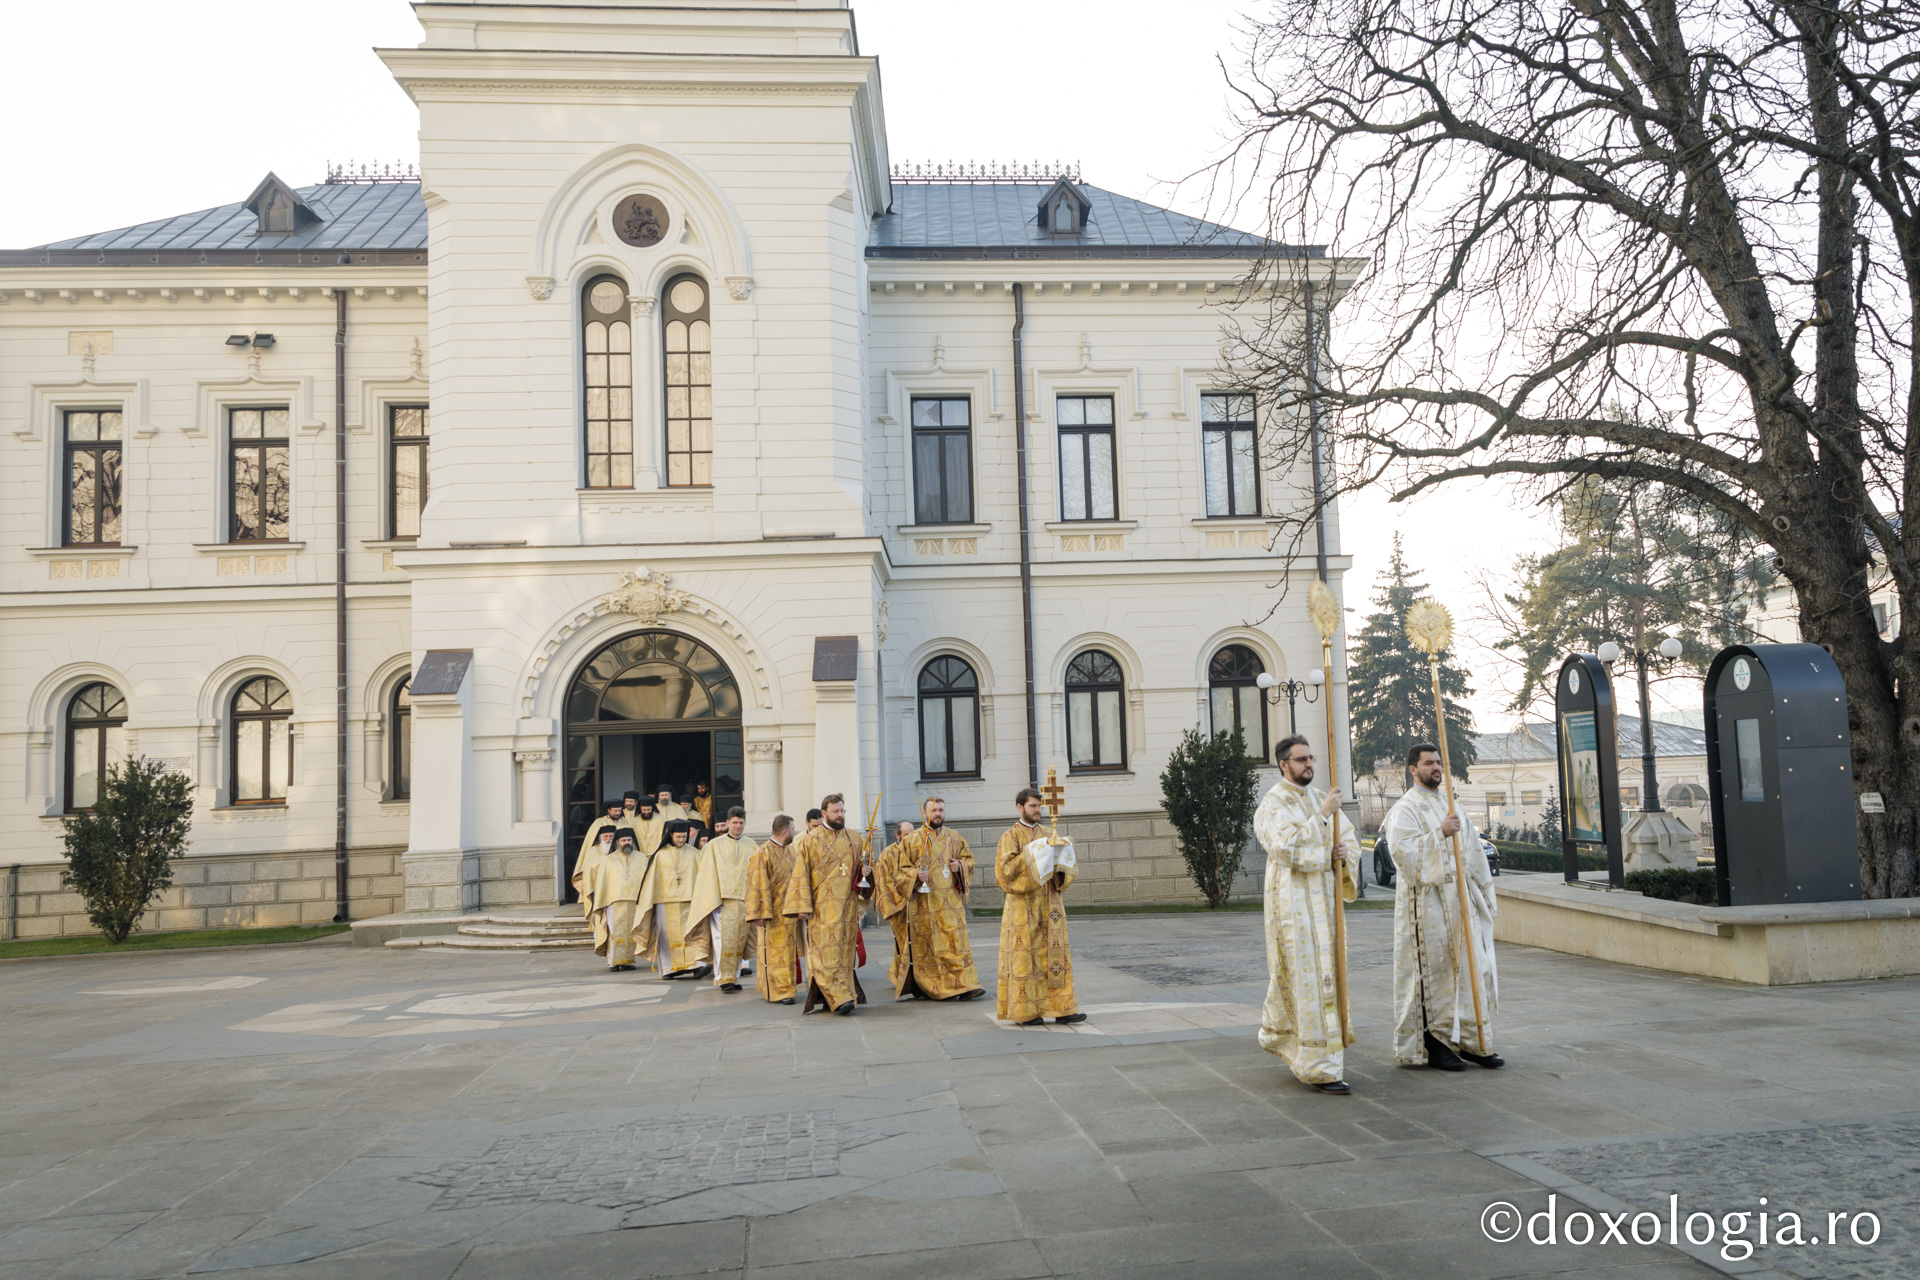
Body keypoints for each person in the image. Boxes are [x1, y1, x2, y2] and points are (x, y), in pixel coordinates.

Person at [1383, 742, 1502, 1071]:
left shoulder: (1451, 803)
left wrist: (1481, 892)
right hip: (1427, 905)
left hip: (1459, 901)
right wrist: (1439, 833)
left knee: (1470, 970)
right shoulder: (1405, 809)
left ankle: (1472, 1041)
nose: (1436, 768)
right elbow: (1403, 855)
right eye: (1428, 763)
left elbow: (1472, 850)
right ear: (1413, 770)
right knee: (1434, 973)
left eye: (1438, 763)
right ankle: (1436, 1044)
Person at [1254, 735, 1362, 1094]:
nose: (1309, 765)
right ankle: (1318, 1066)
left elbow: (1346, 844)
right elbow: (1286, 849)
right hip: (1294, 908)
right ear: (1284, 765)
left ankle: (1317, 1057)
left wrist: (1344, 854)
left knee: (1326, 977)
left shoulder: (1320, 798)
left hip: (1326, 910)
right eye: (1301, 759)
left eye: (1311, 758)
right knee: (1305, 980)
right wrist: (1324, 818)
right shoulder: (1273, 804)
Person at [875, 799, 983, 1002]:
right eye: (933, 810)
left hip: (951, 905)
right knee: (933, 948)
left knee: (956, 946)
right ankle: (936, 987)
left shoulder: (955, 837)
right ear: (925, 813)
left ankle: (967, 985)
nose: (938, 814)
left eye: (941, 810)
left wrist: (960, 866)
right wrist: (916, 875)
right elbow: (900, 872)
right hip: (925, 904)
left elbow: (970, 859)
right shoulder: (912, 840)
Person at [994, 788, 1085, 1026]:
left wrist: (1061, 857)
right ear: (1020, 807)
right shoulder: (1010, 836)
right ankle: (1026, 1012)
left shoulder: (1049, 832)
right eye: (1033, 806)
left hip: (1050, 903)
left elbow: (1063, 869)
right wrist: (1033, 852)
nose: (1037, 810)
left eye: (1039, 806)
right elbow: (1005, 873)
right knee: (1026, 959)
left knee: (1056, 957)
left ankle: (1062, 1008)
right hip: (1023, 908)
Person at [782, 792, 871, 1015]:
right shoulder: (811, 840)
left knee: (843, 954)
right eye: (835, 811)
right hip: (822, 908)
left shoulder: (854, 838)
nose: (840, 815)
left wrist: (866, 873)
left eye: (842, 811)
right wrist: (803, 906)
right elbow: (800, 874)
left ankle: (844, 994)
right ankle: (839, 999)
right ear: (824, 814)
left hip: (848, 908)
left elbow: (860, 871)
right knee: (826, 954)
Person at [688, 806, 757, 992]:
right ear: (727, 823)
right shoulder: (714, 845)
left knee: (738, 941)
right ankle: (723, 977)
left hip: (744, 900)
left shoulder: (752, 845)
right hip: (722, 901)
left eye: (741, 823)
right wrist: (713, 900)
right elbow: (707, 875)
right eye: (734, 823)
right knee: (722, 940)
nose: (738, 826)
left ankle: (734, 977)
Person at [637, 819, 712, 979]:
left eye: (684, 837)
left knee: (691, 932)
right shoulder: (659, 855)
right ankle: (670, 969)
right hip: (665, 902)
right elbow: (651, 882)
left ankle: (697, 965)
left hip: (689, 901)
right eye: (678, 837)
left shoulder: (694, 853)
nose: (681, 840)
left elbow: (702, 877)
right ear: (670, 835)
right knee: (666, 936)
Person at [744, 813, 804, 1004]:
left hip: (790, 912)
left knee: (788, 952)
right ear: (785, 831)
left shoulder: (790, 851)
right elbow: (756, 885)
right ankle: (780, 991)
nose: (795, 833)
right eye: (793, 830)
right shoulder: (762, 854)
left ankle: (788, 987)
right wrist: (759, 913)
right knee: (774, 953)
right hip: (772, 914)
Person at [583, 828, 649, 971]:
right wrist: (602, 902)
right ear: (617, 842)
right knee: (615, 932)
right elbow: (602, 883)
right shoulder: (608, 860)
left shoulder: (642, 858)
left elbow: (646, 881)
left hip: (634, 900)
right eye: (623, 840)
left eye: (629, 840)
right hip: (614, 901)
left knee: (631, 932)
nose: (627, 843)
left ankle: (629, 961)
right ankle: (614, 961)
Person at [572, 823, 620, 925]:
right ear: (601, 838)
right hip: (598, 889)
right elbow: (589, 871)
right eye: (605, 836)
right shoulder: (593, 851)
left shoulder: (620, 850)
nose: (608, 839)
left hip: (617, 890)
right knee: (600, 919)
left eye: (611, 836)